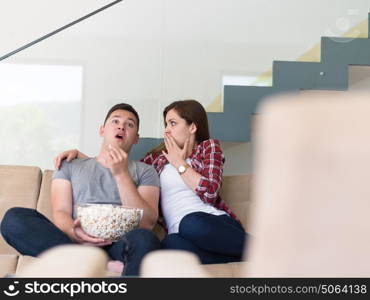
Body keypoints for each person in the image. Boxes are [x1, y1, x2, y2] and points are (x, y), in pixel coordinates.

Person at [54, 99, 247, 264]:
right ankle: (243, 258)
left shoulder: (208, 148)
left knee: (191, 222)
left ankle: (262, 249)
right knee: (171, 248)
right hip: (178, 233)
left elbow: (210, 191)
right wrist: (82, 157)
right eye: (166, 124)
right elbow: (119, 167)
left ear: (192, 127)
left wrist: (179, 163)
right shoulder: (156, 159)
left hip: (210, 223)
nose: (167, 130)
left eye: (172, 123)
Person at [0, 103, 161, 276]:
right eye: (115, 121)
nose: (121, 126)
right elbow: (60, 211)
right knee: (14, 219)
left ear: (136, 138)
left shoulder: (145, 171)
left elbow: (147, 222)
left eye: (130, 124)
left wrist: (121, 175)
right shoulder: (70, 165)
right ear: (102, 130)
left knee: (145, 239)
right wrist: (73, 231)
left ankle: (84, 264)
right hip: (74, 242)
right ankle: (103, 264)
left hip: (120, 244)